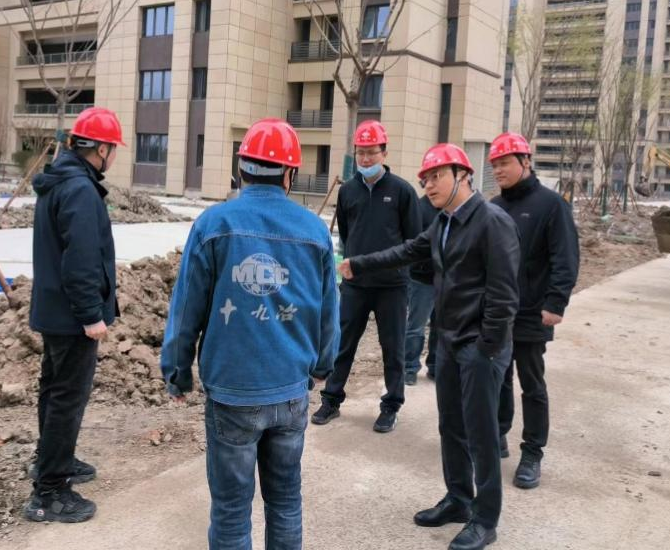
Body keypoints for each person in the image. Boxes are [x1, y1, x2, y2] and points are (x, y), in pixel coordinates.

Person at [161, 118, 340, 550]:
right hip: (290, 393)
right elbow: (330, 311)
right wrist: (322, 366)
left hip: (233, 394)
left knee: (230, 510)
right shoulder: (315, 231)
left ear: (241, 169)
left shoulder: (213, 225)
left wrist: (177, 371)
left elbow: (186, 309)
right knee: (286, 502)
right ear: (290, 174)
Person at [339, 143, 520, 550]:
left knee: (482, 434)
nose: (430, 185)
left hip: (479, 348)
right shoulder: (444, 223)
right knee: (451, 425)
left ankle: (486, 519)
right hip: (449, 342)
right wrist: (359, 263)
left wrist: (487, 348)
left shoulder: (492, 222)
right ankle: (459, 499)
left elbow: (505, 294)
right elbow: (407, 251)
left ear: (463, 175)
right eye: (425, 179)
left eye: (437, 176)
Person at [23, 107, 125, 523]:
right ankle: (49, 492)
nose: (114, 155)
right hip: (71, 317)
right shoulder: (80, 190)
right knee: (67, 398)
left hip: (53, 310)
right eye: (113, 149)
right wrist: (90, 314)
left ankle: (50, 460)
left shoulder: (59, 181)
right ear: (100, 150)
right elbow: (81, 260)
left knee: (53, 391)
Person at [312, 120, 421, 433]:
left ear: (384, 153)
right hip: (355, 284)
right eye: (360, 152)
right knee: (343, 345)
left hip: (392, 286)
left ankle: (390, 406)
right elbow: (348, 235)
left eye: (372, 152)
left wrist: (398, 270)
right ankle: (331, 400)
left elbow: (414, 241)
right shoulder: (348, 191)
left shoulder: (402, 191)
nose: (365, 159)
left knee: (392, 348)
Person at [489, 132, 579, 489]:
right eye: (494, 165)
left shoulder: (551, 205)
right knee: (497, 377)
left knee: (531, 382)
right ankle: (497, 433)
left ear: (525, 161)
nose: (498, 170)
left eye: (505, 163)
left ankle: (532, 452)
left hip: (532, 311)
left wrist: (556, 302)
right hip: (497, 311)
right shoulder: (494, 206)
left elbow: (565, 256)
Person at [405, 193, 440, 386]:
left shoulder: (450, 208)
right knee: (416, 326)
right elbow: (412, 242)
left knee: (440, 326)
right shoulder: (419, 207)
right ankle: (409, 367)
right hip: (422, 278)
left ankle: (435, 366)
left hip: (446, 279)